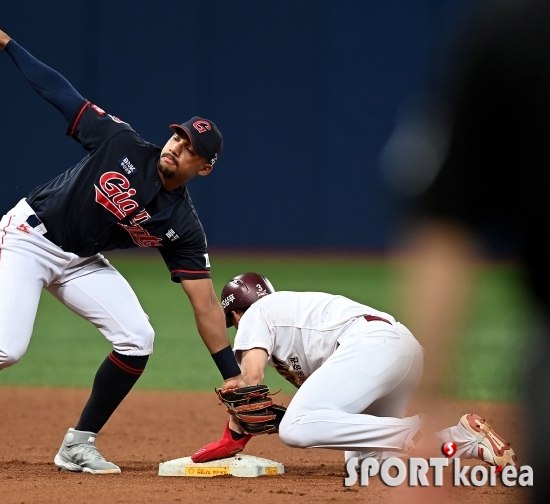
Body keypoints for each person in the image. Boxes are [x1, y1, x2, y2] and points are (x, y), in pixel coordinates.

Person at [0, 8, 245, 474]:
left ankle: (78, 443)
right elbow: (60, 92)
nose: (177, 147)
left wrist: (231, 375)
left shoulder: (182, 224)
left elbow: (206, 304)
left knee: (137, 338)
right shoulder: (122, 143)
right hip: (28, 238)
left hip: (78, 259)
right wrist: (7, 43)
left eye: (191, 148)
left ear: (204, 167)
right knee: (6, 348)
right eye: (178, 137)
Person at [390, 1, 550, 501]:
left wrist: (427, 413)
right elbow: (447, 222)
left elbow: (444, 227)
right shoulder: (516, 35)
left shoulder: (515, 30)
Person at [191, 272, 517, 469]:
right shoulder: (286, 313)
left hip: (372, 346)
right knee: (368, 464)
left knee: (295, 427)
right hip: (401, 350)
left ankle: (411, 432)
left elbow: (251, 378)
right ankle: (465, 439)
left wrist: (232, 437)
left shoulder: (255, 314)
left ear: (235, 315)